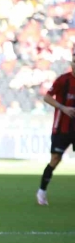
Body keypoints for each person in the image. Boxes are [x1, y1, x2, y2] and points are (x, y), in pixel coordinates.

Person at [38, 50, 75, 205]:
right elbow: (47, 97)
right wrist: (63, 108)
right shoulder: (63, 80)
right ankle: (42, 191)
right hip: (61, 128)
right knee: (55, 159)